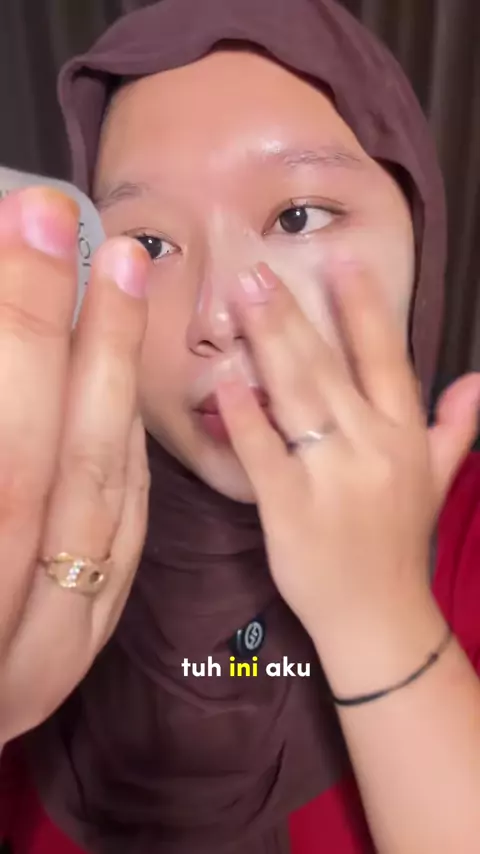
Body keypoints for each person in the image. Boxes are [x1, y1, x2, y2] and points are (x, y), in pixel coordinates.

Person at [0, 0, 479, 852]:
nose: (217, 318)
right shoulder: (22, 541)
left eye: (297, 217)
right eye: (149, 246)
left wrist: (383, 622)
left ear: (419, 226)